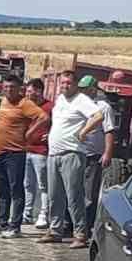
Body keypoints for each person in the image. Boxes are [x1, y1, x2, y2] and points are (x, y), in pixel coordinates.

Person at [38, 70, 95, 248]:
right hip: (54, 153)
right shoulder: (61, 99)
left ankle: (80, 234)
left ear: (76, 84)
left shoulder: (82, 100)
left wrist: (84, 131)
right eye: (63, 83)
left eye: (68, 83)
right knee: (55, 195)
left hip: (72, 153)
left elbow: (97, 116)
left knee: (74, 196)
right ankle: (55, 230)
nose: (65, 86)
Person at [0, 77, 45, 238]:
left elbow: (43, 117)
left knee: (16, 189)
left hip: (15, 152)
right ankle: (1, 221)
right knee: (2, 188)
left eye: (12, 87)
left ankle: (15, 225)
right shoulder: (4, 101)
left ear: (20, 88)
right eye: (6, 87)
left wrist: (30, 133)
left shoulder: (25, 103)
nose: (8, 90)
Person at [76, 76, 118, 238]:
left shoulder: (104, 107)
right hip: (77, 152)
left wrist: (107, 153)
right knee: (74, 190)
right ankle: (72, 224)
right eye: (80, 89)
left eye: (85, 89)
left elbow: (109, 131)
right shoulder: (79, 104)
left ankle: (86, 227)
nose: (82, 92)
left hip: (93, 155)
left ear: (93, 89)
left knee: (89, 193)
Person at [22, 77, 52, 229]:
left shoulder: (49, 107)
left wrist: (51, 134)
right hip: (26, 149)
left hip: (41, 151)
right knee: (27, 184)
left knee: (43, 185)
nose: (27, 93)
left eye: (30, 91)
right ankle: (27, 214)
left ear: (39, 91)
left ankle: (43, 214)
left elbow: (58, 124)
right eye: (26, 91)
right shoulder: (26, 106)